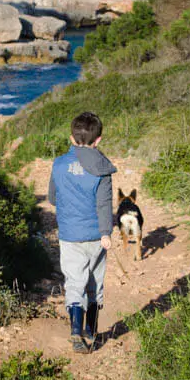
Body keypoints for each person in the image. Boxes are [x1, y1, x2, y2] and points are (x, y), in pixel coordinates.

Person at [48, 112, 117, 353]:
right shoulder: (102, 168)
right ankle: (92, 332)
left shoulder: (58, 164)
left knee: (74, 282)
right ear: (98, 140)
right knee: (94, 284)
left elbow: (52, 199)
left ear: (71, 137)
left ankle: (75, 330)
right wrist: (107, 232)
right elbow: (104, 203)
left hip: (69, 234)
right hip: (97, 236)